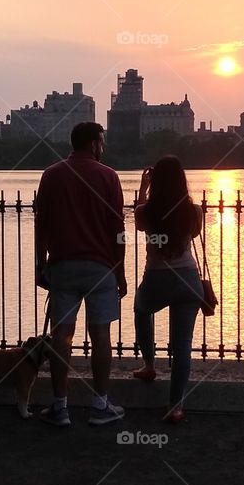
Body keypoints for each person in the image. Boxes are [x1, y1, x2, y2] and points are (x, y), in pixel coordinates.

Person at [34, 121, 126, 426]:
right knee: (101, 336)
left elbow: (41, 225)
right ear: (92, 144)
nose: (104, 147)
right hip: (101, 268)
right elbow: (117, 230)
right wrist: (120, 271)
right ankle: (99, 405)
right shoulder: (109, 177)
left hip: (63, 266)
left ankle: (60, 406)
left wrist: (40, 263)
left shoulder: (51, 175)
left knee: (62, 335)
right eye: (102, 142)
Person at [132, 154, 204, 425]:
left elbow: (139, 221)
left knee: (141, 309)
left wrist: (143, 189)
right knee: (183, 344)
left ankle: (149, 365)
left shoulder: (146, 212)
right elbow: (193, 234)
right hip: (188, 278)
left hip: (157, 278)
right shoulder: (193, 211)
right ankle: (176, 406)